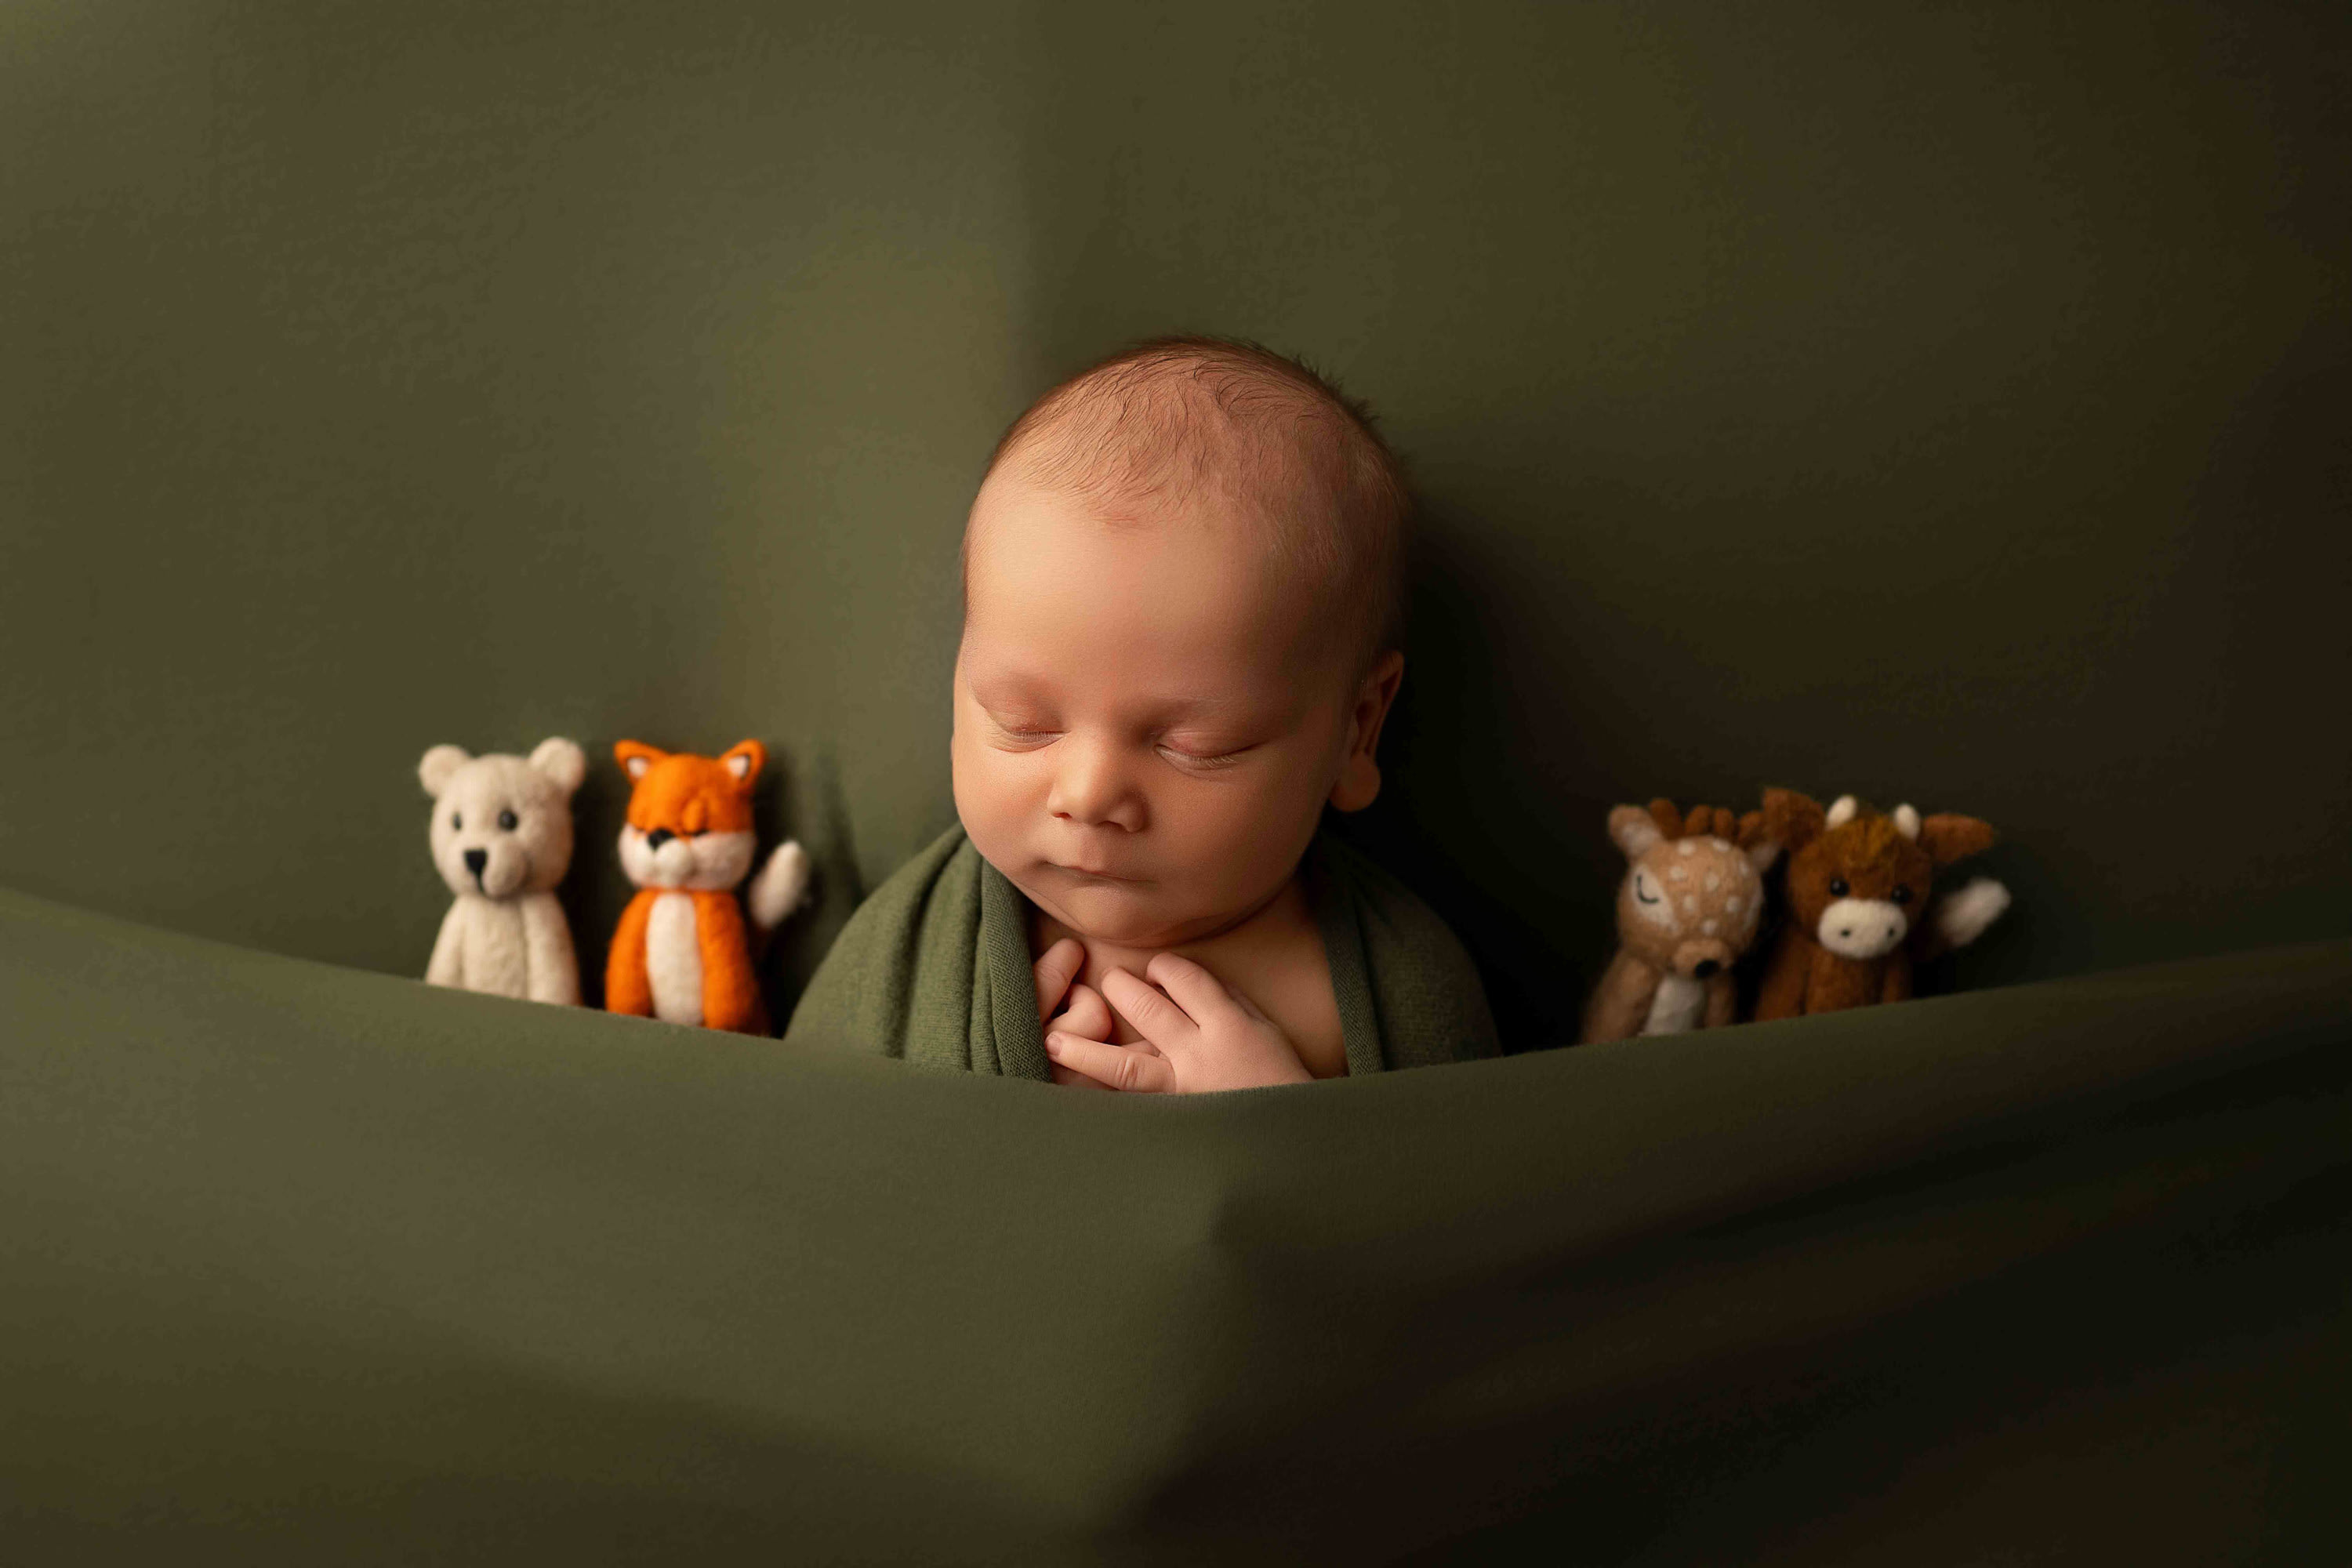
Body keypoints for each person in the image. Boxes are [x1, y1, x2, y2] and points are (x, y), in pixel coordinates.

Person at [783, 336, 1499, 1089]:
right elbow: (805, 1136)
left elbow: (1456, 1166)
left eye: (1196, 744)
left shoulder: (1402, 992)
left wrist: (1279, 1129)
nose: (1089, 795)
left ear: (1356, 730)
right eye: (1024, 722)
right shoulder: (903, 954)